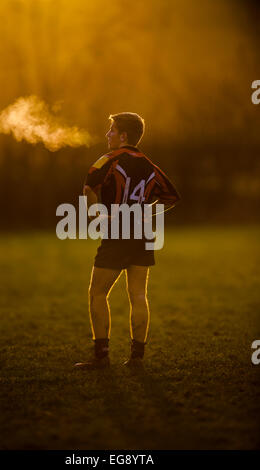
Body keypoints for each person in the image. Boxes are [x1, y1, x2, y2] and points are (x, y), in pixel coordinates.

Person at [74, 112, 180, 369]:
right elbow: (170, 197)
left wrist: (96, 217)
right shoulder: (150, 165)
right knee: (139, 294)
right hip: (143, 234)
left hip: (118, 234)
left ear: (123, 136)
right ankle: (137, 358)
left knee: (97, 292)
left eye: (111, 130)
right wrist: (144, 211)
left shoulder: (108, 159)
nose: (107, 134)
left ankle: (101, 357)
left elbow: (89, 187)